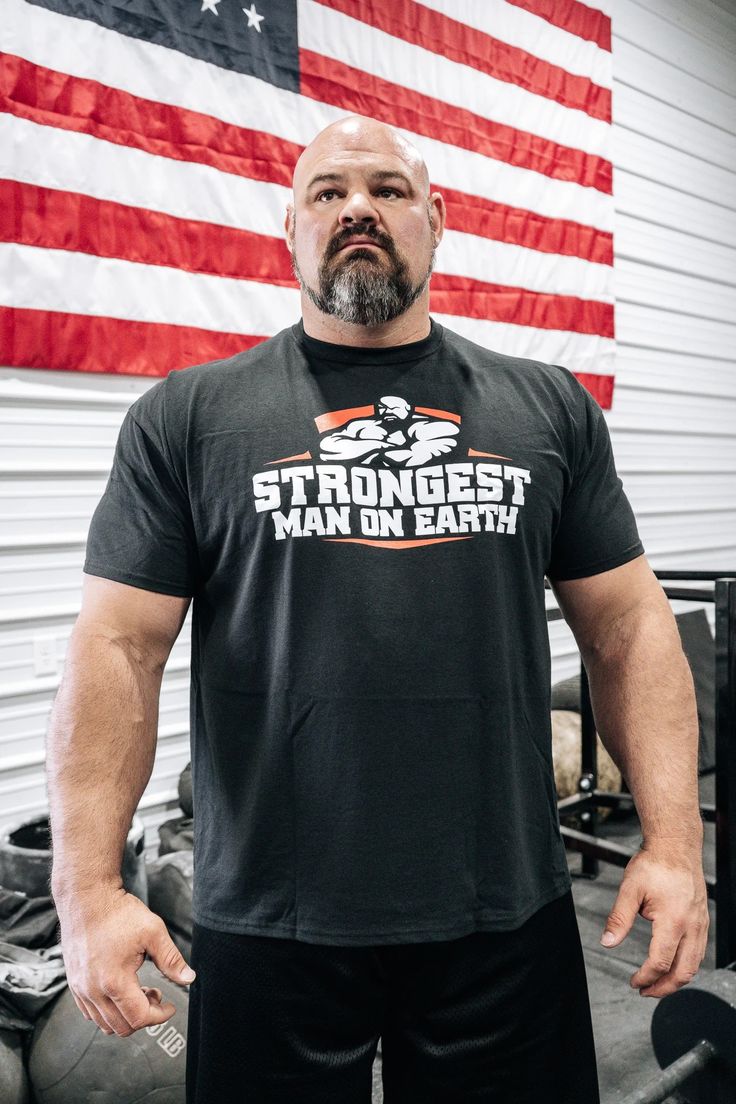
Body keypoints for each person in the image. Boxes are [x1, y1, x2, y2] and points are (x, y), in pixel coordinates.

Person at [46, 114, 709, 1104]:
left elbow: (628, 625)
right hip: (269, 916)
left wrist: (673, 844)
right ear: (291, 227)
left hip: (501, 908)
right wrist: (89, 889)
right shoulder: (187, 417)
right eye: (329, 191)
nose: (358, 206)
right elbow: (118, 648)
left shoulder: (547, 408)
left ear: (436, 221)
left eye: (388, 189)